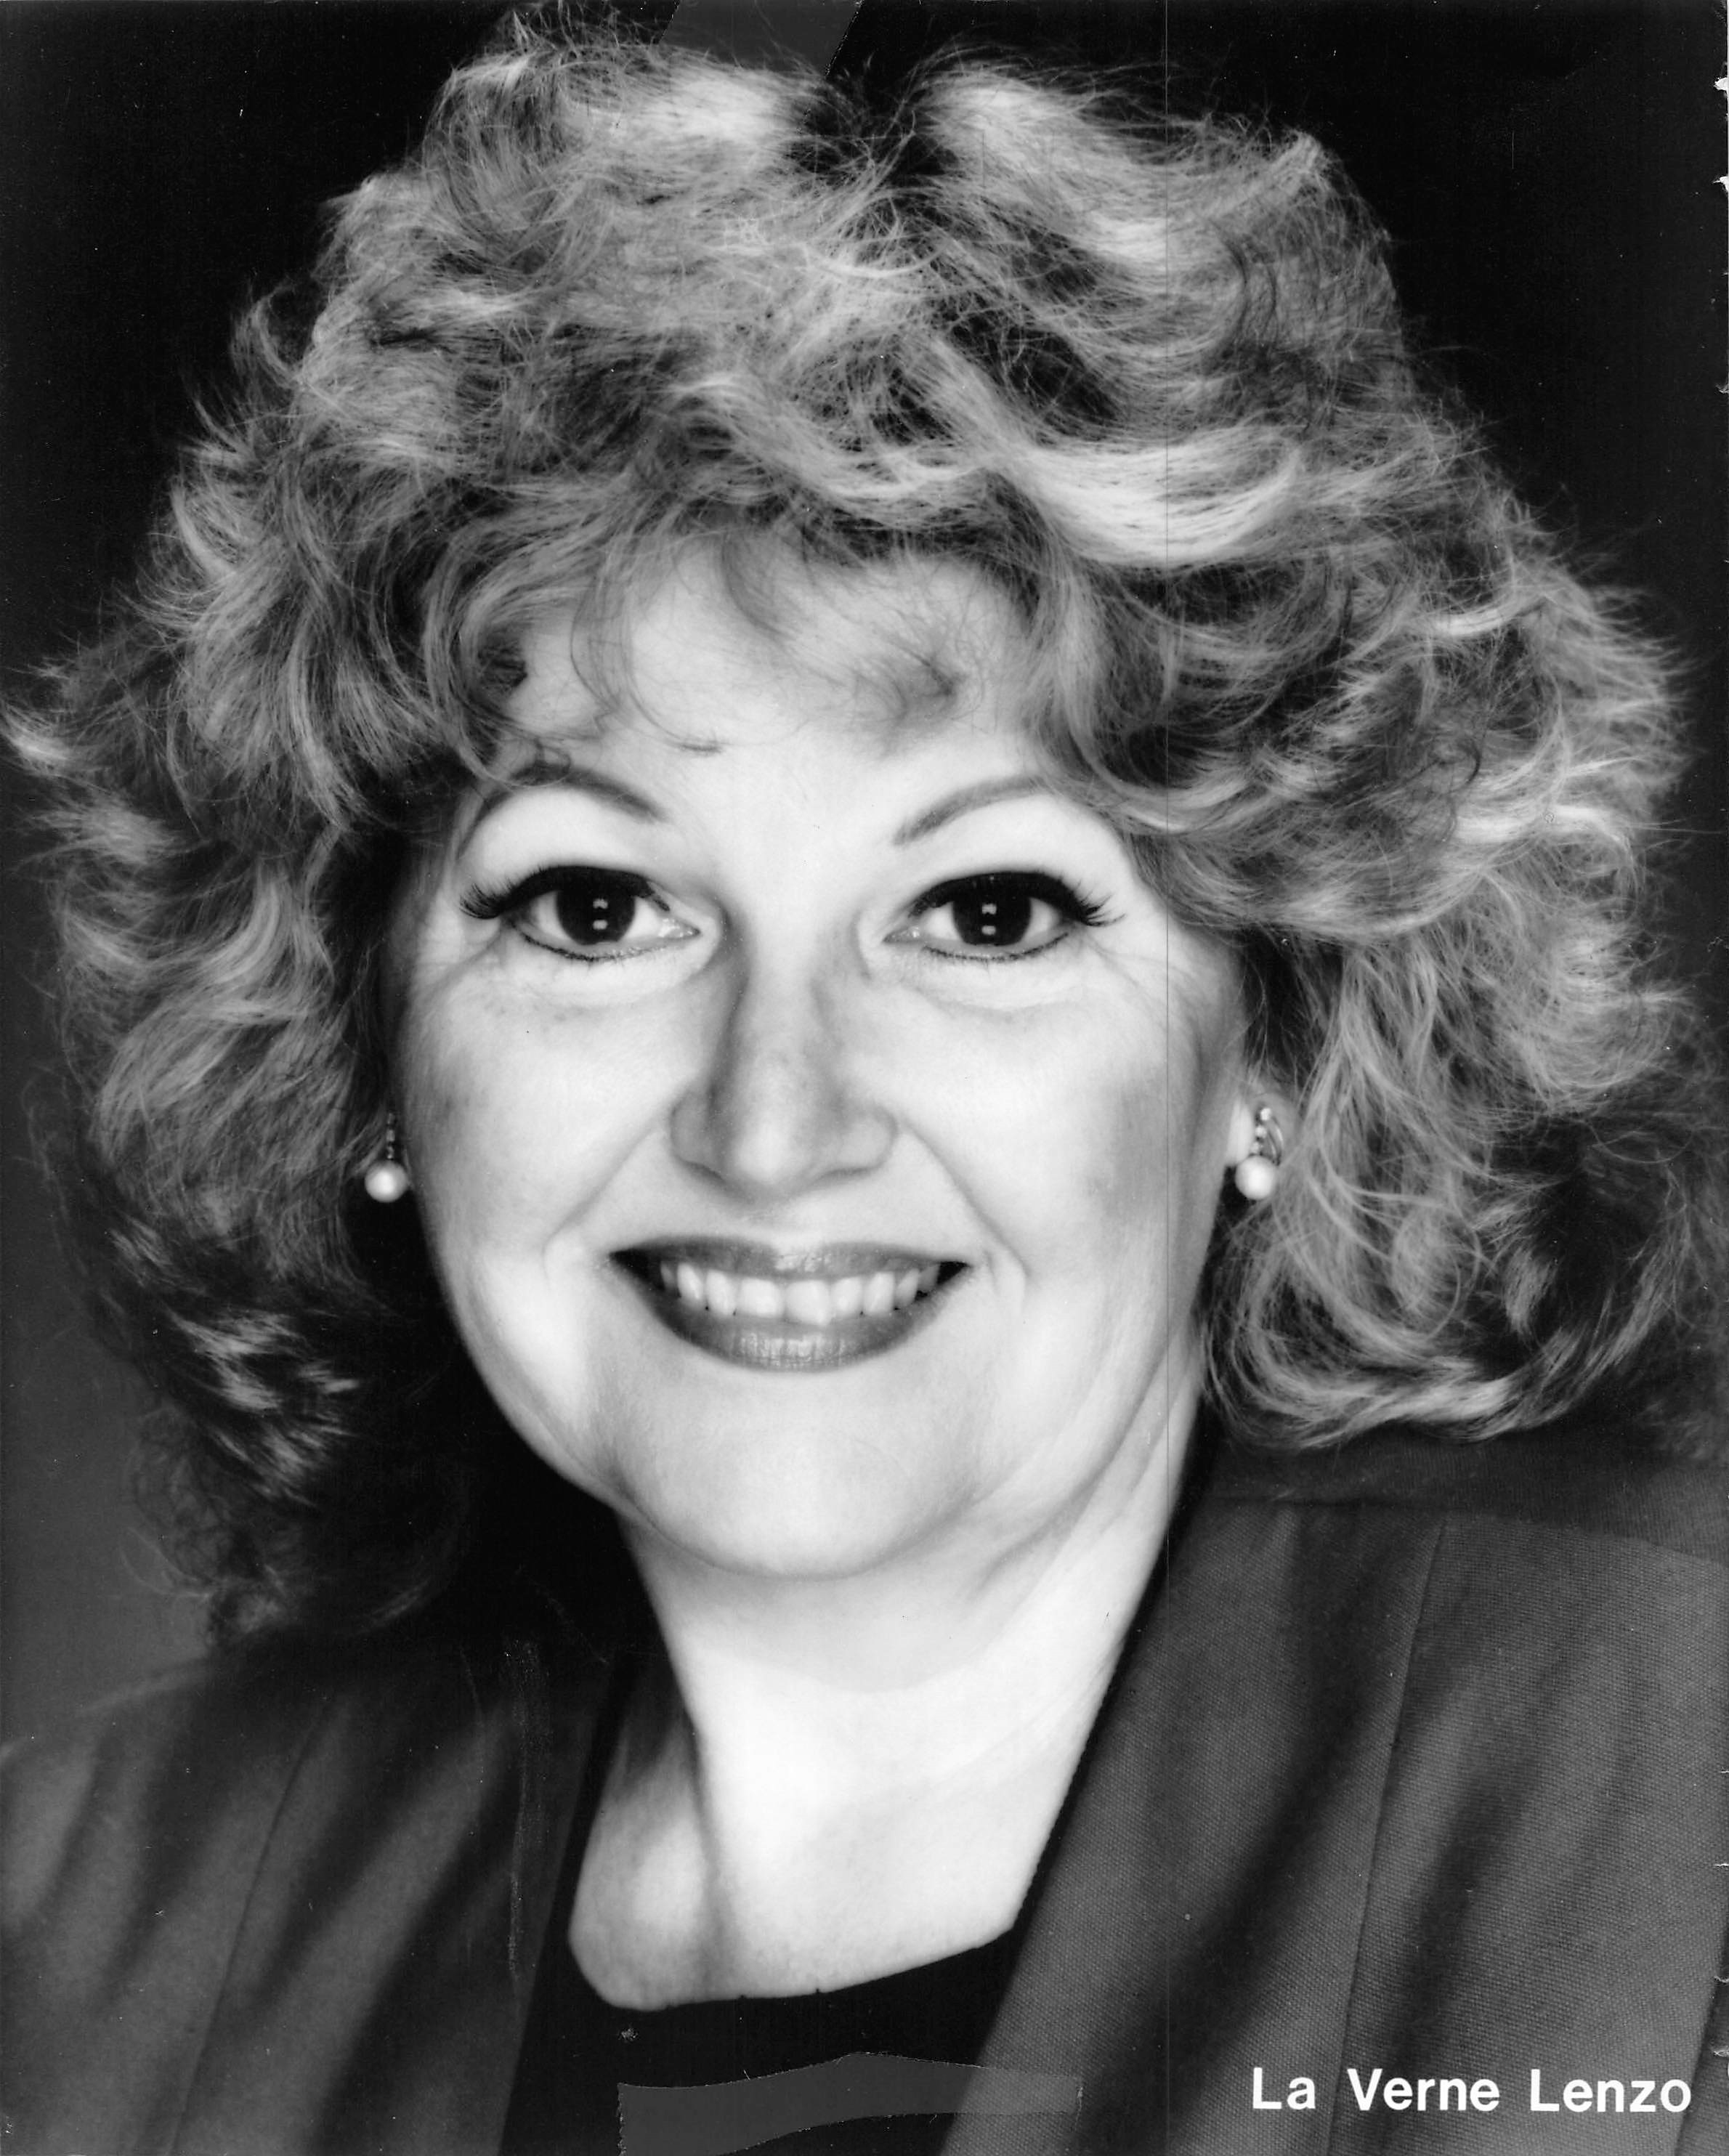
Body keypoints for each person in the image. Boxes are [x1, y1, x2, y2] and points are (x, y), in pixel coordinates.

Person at [4, 12, 1726, 2152]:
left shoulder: (1676, 1820)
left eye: (985, 915)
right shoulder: (78, 1938)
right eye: (596, 909)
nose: (775, 1125)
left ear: (1277, 1043)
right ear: (362, 1053)